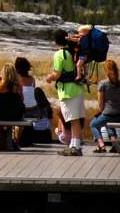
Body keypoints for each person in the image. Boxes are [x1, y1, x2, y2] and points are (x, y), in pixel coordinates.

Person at [46, 28, 86, 156]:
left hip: (68, 91)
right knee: (76, 120)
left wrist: (49, 77)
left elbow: (57, 74)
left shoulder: (59, 54)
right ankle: (74, 145)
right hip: (78, 88)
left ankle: (76, 147)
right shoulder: (73, 51)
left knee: (73, 120)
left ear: (55, 41)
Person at [16, 56, 51, 147]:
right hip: (34, 111)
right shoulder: (32, 79)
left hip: (23, 111)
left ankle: (17, 140)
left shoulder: (16, 79)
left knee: (17, 113)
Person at [90, 59, 120, 153]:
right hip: (118, 114)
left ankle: (101, 145)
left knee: (93, 125)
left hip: (108, 113)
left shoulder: (103, 84)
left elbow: (100, 102)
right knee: (109, 123)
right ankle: (114, 143)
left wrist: (101, 112)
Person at [0, 63, 25, 148]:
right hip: (15, 115)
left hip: (0, 115)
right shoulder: (18, 86)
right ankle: (13, 142)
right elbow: (22, 100)